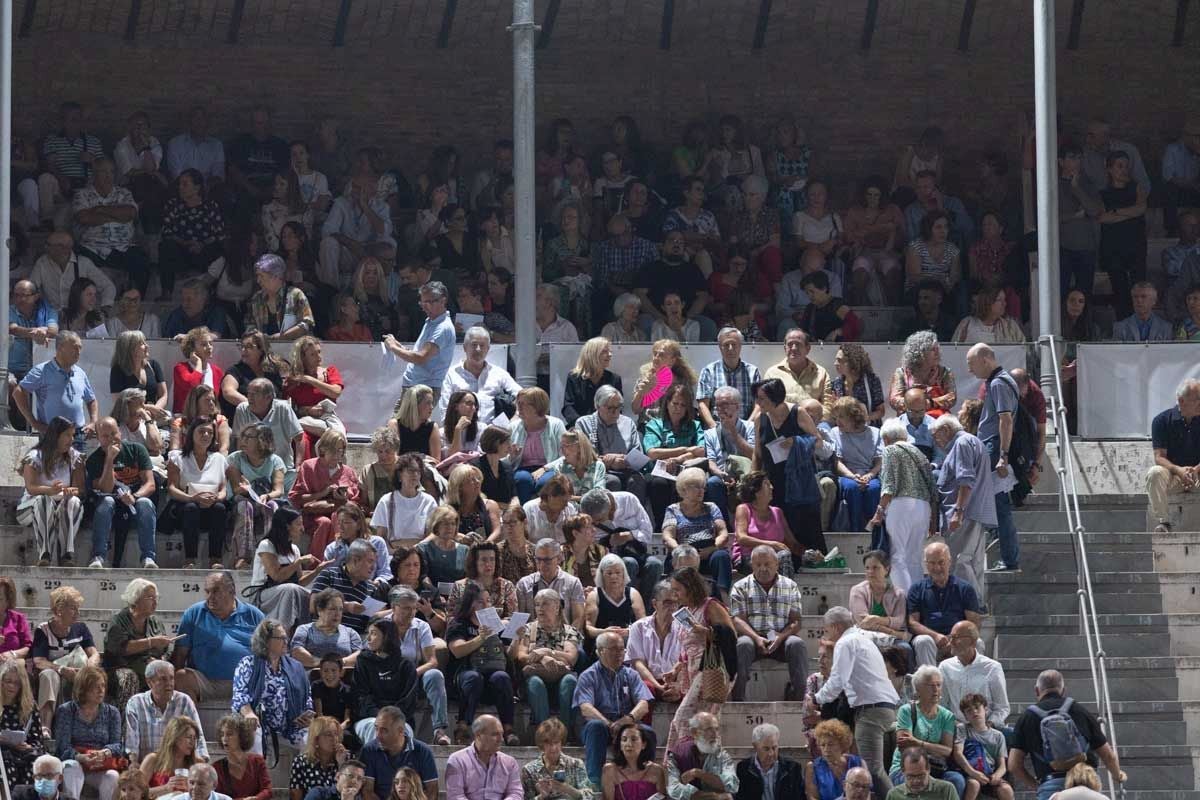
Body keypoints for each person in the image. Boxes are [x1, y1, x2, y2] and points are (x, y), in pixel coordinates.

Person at [810, 606, 899, 794]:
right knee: (874, 770)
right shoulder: (863, 639)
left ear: (835, 627)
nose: (826, 635)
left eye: (826, 630)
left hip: (871, 710)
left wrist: (817, 698)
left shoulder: (846, 642)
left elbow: (837, 680)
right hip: (882, 707)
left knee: (872, 771)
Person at [1007, 670, 1126, 800]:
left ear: (1036, 691)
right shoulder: (1080, 711)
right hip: (1085, 783)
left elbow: (1013, 765)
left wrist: (1037, 785)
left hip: (1050, 785)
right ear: (1063, 690)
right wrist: (1117, 775)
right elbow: (1108, 755)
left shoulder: (1027, 718)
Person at [573, 631, 655, 790]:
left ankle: (646, 780)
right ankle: (595, 783)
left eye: (621, 649)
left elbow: (644, 704)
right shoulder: (588, 675)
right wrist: (609, 724)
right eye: (613, 649)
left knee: (647, 732)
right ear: (600, 651)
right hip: (599, 726)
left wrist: (629, 719)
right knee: (596, 727)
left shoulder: (631, 674)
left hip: (625, 724)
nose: (619, 653)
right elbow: (585, 708)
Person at [964, 343, 1019, 573]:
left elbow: (1005, 419)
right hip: (993, 447)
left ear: (985, 359)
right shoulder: (1002, 380)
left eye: (971, 364)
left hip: (994, 449)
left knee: (999, 505)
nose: (970, 370)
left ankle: (1008, 559)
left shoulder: (998, 383)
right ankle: (1007, 556)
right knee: (995, 505)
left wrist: (1003, 456)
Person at [172, 572, 265, 702]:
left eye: (215, 591)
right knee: (181, 677)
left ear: (232, 591)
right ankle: (188, 722)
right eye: (207, 592)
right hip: (205, 682)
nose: (210, 597)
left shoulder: (253, 615)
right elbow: (180, 655)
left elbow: (268, 652)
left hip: (245, 682)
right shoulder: (194, 613)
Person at [731, 545, 807, 701]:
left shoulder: (790, 586)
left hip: (781, 638)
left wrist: (780, 637)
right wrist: (757, 638)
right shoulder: (740, 587)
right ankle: (738, 699)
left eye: (767, 564)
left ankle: (799, 699)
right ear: (752, 565)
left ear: (777, 564)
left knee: (797, 644)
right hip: (752, 638)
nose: (763, 569)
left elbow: (796, 622)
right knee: (742, 645)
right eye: (758, 565)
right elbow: (738, 620)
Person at [446, 584, 518, 744]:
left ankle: (508, 729)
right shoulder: (459, 624)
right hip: (466, 674)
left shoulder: (496, 624)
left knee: (502, 677)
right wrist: (480, 638)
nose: (486, 605)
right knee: (473, 677)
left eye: (488, 601)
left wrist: (517, 638)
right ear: (470, 603)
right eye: (480, 602)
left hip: (492, 675)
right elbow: (457, 650)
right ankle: (462, 726)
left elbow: (510, 655)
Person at [930, 415, 993, 596]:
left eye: (936, 435)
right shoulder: (972, 441)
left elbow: (966, 480)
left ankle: (972, 603)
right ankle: (978, 604)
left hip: (964, 513)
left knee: (959, 560)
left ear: (946, 430)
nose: (936, 441)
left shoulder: (962, 443)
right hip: (975, 511)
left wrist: (958, 512)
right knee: (974, 562)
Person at [870, 419, 936, 591]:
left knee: (897, 556)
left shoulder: (890, 450)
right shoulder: (920, 453)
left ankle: (904, 601)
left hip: (901, 505)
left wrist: (879, 510)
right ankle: (917, 601)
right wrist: (934, 519)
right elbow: (933, 488)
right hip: (923, 507)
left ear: (885, 438)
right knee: (914, 558)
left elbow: (889, 484)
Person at [385, 589, 450, 746]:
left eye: (414, 608)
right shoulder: (382, 626)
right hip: (388, 677)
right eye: (406, 608)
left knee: (434, 675)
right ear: (394, 608)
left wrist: (412, 673)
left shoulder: (422, 627)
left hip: (415, 676)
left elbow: (432, 661)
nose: (411, 612)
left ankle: (439, 731)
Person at [511, 588, 582, 732]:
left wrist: (547, 651)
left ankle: (565, 733)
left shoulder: (569, 631)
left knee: (570, 682)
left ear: (557, 607)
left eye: (545, 604)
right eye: (537, 604)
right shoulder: (528, 629)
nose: (540, 609)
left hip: (560, 677)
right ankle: (544, 733)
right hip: (536, 677)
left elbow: (571, 658)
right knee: (536, 683)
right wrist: (544, 658)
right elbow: (522, 657)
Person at [17, 417, 84, 568]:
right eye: (67, 435)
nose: (71, 439)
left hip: (60, 506)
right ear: (56, 435)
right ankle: (45, 554)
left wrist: (70, 491)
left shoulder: (75, 457)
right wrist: (50, 490)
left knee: (74, 501)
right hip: (30, 508)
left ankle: (66, 554)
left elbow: (79, 488)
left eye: (73, 435)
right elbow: (31, 487)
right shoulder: (35, 456)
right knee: (43, 500)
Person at [887, 666, 965, 797]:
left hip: (935, 767)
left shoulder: (947, 716)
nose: (936, 690)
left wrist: (918, 742)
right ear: (918, 689)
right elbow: (905, 746)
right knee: (916, 784)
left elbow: (946, 751)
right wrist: (934, 748)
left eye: (938, 685)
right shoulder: (906, 711)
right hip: (907, 768)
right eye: (930, 686)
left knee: (957, 780)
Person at [32, 586, 102, 731]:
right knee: (48, 675)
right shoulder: (43, 630)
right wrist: (62, 669)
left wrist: (90, 665)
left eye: (78, 608)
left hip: (77, 673)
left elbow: (94, 653)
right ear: (59, 610)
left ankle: (86, 727)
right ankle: (45, 726)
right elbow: (38, 661)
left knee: (92, 675)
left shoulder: (80, 628)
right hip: (55, 673)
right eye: (73, 608)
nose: (78, 613)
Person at [165, 417, 229, 569]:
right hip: (185, 509)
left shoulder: (219, 459)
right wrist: (191, 498)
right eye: (201, 431)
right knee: (191, 508)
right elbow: (172, 488)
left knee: (220, 508)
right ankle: (190, 559)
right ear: (191, 434)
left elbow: (223, 490)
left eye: (209, 432)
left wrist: (216, 498)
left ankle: (215, 559)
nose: (206, 435)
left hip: (210, 507)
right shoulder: (178, 457)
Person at [907, 541, 983, 667]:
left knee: (978, 642)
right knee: (923, 641)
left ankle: (971, 681)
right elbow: (912, 622)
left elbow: (973, 623)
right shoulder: (917, 589)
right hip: (930, 640)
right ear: (926, 564)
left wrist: (954, 638)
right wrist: (935, 636)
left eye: (941, 562)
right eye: (932, 563)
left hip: (958, 638)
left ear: (949, 561)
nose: (936, 568)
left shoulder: (965, 588)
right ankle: (930, 682)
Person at [53, 665, 125, 800]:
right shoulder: (67, 710)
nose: (101, 690)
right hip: (76, 761)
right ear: (84, 688)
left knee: (113, 776)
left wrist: (104, 753)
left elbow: (117, 745)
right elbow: (62, 747)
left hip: (99, 765)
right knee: (72, 767)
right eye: (95, 686)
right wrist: (82, 757)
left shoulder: (112, 712)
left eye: (103, 686)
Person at [102, 579, 171, 715]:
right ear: (136, 599)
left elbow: (165, 650)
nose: (155, 602)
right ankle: (125, 726)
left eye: (156, 598)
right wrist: (151, 642)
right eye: (150, 598)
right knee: (129, 677)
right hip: (121, 668)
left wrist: (159, 661)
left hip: (148, 667)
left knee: (166, 674)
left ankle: (162, 721)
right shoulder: (119, 620)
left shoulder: (155, 622)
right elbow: (121, 649)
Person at [661, 468, 733, 596]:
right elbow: (668, 536)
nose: (702, 491)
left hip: (707, 551)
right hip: (683, 552)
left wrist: (712, 549)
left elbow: (723, 533)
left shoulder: (711, 507)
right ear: (683, 490)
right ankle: (675, 596)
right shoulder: (673, 509)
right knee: (674, 559)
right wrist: (682, 552)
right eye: (696, 487)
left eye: (703, 487)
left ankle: (723, 597)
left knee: (721, 556)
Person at [290, 429, 361, 557]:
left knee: (336, 518)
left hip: (338, 513)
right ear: (323, 449)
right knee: (324, 522)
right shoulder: (309, 467)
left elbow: (356, 502)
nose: (337, 455)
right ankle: (316, 564)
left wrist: (344, 499)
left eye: (340, 451)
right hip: (312, 515)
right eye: (333, 451)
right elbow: (296, 498)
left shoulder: (348, 472)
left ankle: (335, 561)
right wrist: (322, 493)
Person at [14, 333, 97, 441]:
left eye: (80, 348)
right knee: (51, 459)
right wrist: (33, 422)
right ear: (60, 347)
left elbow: (91, 400)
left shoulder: (80, 373)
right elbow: (18, 392)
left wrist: (93, 422)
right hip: (53, 435)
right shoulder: (42, 370)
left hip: (78, 435)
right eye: (75, 347)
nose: (78, 352)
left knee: (78, 458)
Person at [350, 620, 419, 746]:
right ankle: (376, 764)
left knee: (403, 732)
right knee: (375, 728)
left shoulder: (406, 666)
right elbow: (361, 697)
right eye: (368, 633)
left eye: (374, 633)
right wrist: (381, 718)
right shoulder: (363, 661)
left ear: (387, 636)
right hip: (369, 718)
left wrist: (392, 719)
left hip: (399, 720)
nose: (368, 638)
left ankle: (404, 765)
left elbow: (408, 700)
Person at [1097, 151, 1148, 319]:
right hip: (1113, 249)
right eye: (1119, 166)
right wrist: (1130, 213)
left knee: (1140, 291)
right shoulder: (1103, 193)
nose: (1124, 170)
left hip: (1136, 246)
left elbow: (1141, 208)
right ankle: (1123, 329)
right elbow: (1103, 218)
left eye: (1126, 166)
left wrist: (1117, 211)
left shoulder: (1136, 187)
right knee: (1120, 291)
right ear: (1110, 169)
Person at [123, 660, 206, 764]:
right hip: (148, 767)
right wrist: (134, 765)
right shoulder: (135, 703)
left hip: (177, 766)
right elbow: (132, 742)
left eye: (171, 678)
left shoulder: (184, 700)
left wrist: (202, 761)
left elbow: (198, 737)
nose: (169, 683)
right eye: (163, 679)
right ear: (149, 682)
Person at [434, 327, 522, 426]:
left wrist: (515, 417)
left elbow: (523, 395)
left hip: (493, 435)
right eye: (474, 345)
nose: (478, 349)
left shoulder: (499, 373)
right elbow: (445, 410)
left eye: (482, 345)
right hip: (462, 432)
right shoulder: (451, 375)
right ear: (465, 347)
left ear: (488, 349)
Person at [575, 387, 649, 503]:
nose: (615, 412)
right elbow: (581, 457)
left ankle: (633, 519)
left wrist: (624, 460)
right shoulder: (584, 423)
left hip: (626, 469)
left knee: (637, 481)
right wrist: (607, 462)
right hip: (600, 471)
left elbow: (638, 452)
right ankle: (607, 519)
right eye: (610, 408)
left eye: (619, 407)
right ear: (597, 406)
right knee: (612, 481)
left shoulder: (628, 423)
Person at [1146, 378, 1200, 532]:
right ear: (1182, 401)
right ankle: (1164, 522)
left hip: (1198, 476)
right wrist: (1179, 471)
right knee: (1154, 473)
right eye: (1197, 399)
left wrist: (1195, 470)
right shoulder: (1161, 421)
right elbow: (1159, 457)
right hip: (1173, 477)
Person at [233, 379, 305, 492]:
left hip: (283, 469)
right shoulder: (242, 409)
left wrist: (298, 465)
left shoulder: (283, 408)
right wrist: (241, 468)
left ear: (268, 397)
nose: (249, 397)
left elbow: (299, 437)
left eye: (254, 394)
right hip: (252, 472)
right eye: (248, 393)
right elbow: (240, 442)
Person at [358, 707, 437, 800]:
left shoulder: (423, 751)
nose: (378, 735)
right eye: (376, 728)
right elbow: (367, 791)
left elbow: (432, 790)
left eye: (384, 730)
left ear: (401, 731)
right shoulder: (369, 750)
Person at [829, 398, 883, 532]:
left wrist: (869, 476)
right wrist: (853, 477)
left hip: (870, 474)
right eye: (836, 417)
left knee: (874, 489)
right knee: (852, 488)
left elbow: (879, 461)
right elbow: (837, 462)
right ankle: (855, 532)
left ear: (854, 416)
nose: (838, 421)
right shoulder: (835, 432)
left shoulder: (875, 433)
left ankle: (874, 532)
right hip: (847, 475)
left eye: (841, 416)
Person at [28, 233, 116, 313]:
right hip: (54, 317)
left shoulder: (84, 263)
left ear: (65, 248)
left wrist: (105, 308)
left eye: (49, 245)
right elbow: (32, 287)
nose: (45, 248)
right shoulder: (42, 262)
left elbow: (108, 286)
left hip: (81, 316)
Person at [510, 387, 568, 503]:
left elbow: (565, 455)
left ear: (537, 406)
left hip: (550, 466)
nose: (519, 407)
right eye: (518, 403)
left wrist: (545, 468)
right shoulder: (513, 427)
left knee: (546, 482)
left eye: (524, 404)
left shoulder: (556, 425)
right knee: (522, 480)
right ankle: (524, 515)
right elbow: (505, 460)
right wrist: (512, 456)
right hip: (522, 468)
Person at [444, 714, 522, 800]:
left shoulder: (510, 763)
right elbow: (455, 796)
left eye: (502, 734)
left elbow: (516, 793)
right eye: (495, 734)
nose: (501, 739)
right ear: (478, 735)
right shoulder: (457, 760)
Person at [664, 710, 738, 800]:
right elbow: (673, 789)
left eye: (716, 729)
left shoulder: (722, 756)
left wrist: (699, 773)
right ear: (694, 732)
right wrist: (715, 797)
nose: (715, 734)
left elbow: (732, 785)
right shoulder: (677, 754)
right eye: (708, 729)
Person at [517, 539, 588, 628]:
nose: (542, 565)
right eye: (538, 560)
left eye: (547, 560)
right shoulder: (524, 584)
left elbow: (578, 618)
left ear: (559, 558)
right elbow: (519, 620)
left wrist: (568, 637)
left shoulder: (572, 583)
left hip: (564, 636)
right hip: (533, 637)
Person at [953, 694, 1013, 800]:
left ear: (985, 709)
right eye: (969, 710)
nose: (974, 712)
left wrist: (997, 776)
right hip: (970, 772)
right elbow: (958, 753)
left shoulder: (998, 736)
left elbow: (1002, 765)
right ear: (965, 716)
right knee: (973, 784)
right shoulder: (962, 729)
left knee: (1006, 789)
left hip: (990, 773)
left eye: (977, 708)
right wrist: (973, 773)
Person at [285, 337, 346, 440]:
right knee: (302, 436)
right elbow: (289, 406)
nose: (319, 357)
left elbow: (336, 392)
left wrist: (310, 380)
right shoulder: (295, 379)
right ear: (303, 358)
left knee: (337, 435)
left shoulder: (329, 372)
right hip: (305, 421)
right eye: (313, 354)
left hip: (327, 419)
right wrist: (307, 410)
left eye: (319, 352)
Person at [370, 453, 437, 545]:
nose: (415, 475)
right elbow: (380, 538)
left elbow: (433, 534)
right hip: (394, 554)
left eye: (418, 471)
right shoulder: (386, 501)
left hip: (420, 554)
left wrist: (416, 546)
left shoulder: (429, 502)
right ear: (399, 474)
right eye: (411, 471)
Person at [0, 660, 45, 788]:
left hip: (23, 753)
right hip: (2, 752)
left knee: (34, 764)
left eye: (17, 683)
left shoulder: (30, 706)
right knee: (6, 764)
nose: (12, 687)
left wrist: (28, 746)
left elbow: (38, 741)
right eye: (8, 681)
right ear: (1, 681)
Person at [889, 332, 957, 418]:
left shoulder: (945, 372)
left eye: (937, 348)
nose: (937, 352)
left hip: (939, 422)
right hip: (910, 420)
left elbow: (951, 397)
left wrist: (929, 403)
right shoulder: (901, 373)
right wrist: (919, 405)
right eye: (932, 349)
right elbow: (895, 400)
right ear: (920, 353)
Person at [732, 722, 804, 800]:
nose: (771, 753)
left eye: (774, 748)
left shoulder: (792, 768)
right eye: (766, 749)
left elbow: (800, 796)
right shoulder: (744, 768)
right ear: (755, 746)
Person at [563, 338, 623, 429]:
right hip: (579, 427)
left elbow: (618, 407)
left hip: (608, 427)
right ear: (592, 354)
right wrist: (582, 425)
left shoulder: (614, 379)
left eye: (610, 351)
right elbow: (568, 407)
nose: (610, 355)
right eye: (605, 351)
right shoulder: (574, 377)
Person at [765, 329, 833, 408]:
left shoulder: (821, 373)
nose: (794, 348)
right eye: (790, 344)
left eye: (798, 344)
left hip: (814, 420)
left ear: (807, 349)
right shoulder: (772, 374)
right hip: (782, 420)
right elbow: (767, 404)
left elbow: (828, 406)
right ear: (785, 348)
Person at [138, 716, 202, 798]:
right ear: (175, 737)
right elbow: (137, 792)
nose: (192, 742)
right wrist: (166, 788)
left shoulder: (198, 763)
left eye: (194, 738)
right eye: (189, 737)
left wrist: (191, 788)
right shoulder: (152, 759)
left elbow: (208, 793)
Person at [211, 715, 271, 800]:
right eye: (222, 734)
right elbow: (216, 797)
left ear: (241, 736)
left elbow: (267, 790)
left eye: (229, 734)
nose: (224, 738)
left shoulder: (257, 761)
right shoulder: (216, 767)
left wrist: (256, 798)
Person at [804, 720, 863, 800]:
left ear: (842, 744)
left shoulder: (857, 763)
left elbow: (866, 793)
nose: (826, 749)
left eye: (830, 744)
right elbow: (812, 797)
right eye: (823, 745)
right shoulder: (813, 767)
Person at [416, 506, 470, 586]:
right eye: (445, 523)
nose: (450, 527)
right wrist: (436, 595)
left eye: (453, 524)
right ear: (436, 525)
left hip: (458, 595)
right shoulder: (423, 549)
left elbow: (470, 576)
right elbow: (423, 576)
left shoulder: (465, 550)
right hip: (431, 595)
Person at [886, 749, 959, 800]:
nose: (916, 781)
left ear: (929, 769)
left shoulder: (946, 790)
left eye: (921, 776)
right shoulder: (893, 795)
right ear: (903, 772)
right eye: (910, 776)